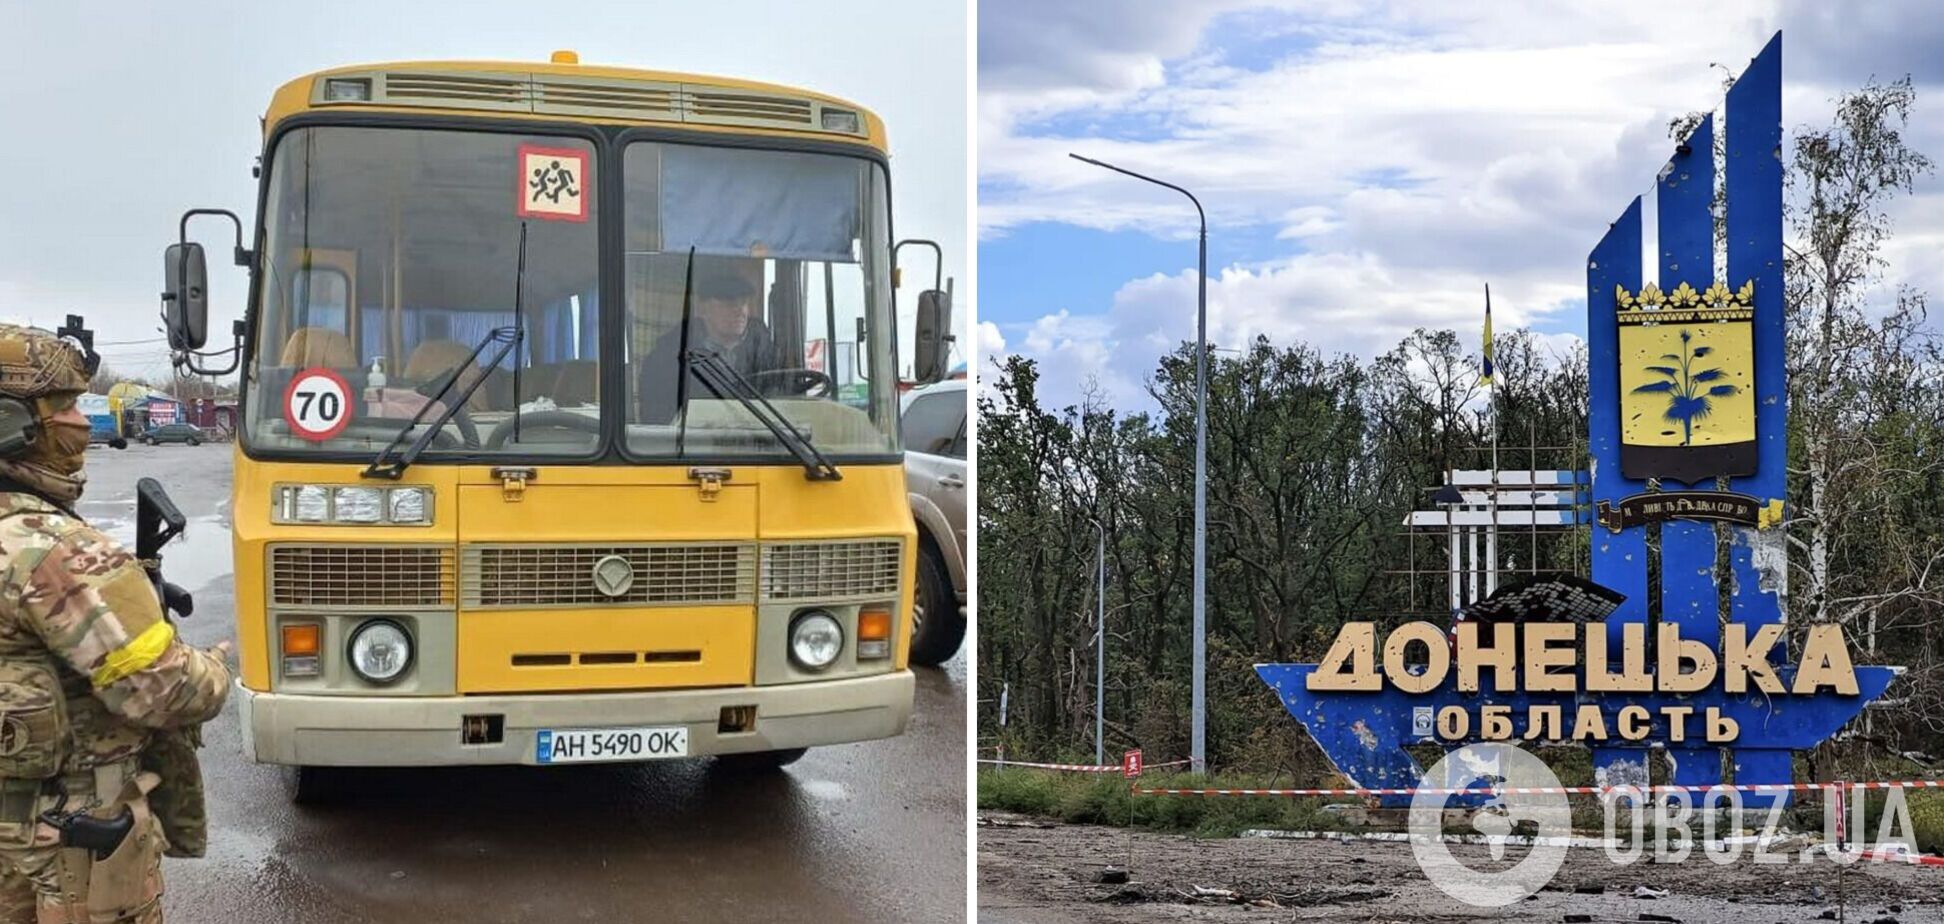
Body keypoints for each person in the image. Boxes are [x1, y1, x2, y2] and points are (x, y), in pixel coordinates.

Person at [0, 325, 230, 923]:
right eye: (68, 405)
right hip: (68, 840)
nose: (82, 422)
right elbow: (167, 688)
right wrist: (216, 666)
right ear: (13, 423)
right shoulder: (54, 550)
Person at [635, 260, 778, 423]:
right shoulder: (668, 359)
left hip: (761, 446)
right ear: (702, 309)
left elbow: (783, 404)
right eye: (728, 303)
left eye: (743, 303)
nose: (740, 311)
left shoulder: (767, 354)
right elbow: (657, 422)